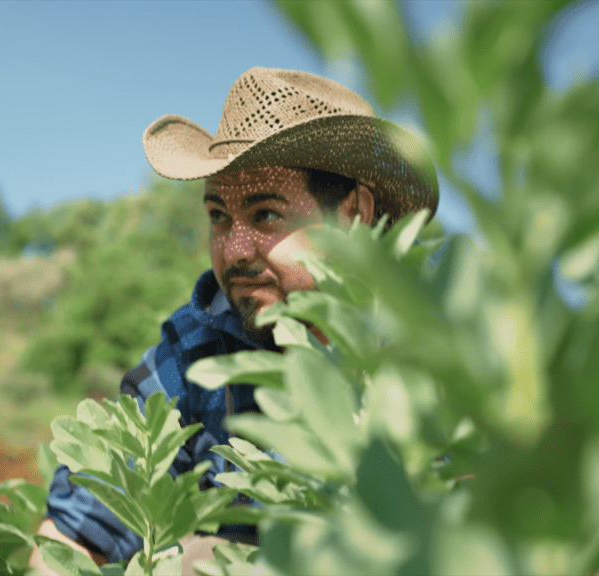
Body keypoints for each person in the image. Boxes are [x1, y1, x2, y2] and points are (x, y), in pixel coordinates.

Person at [29, 66, 439, 574]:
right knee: (195, 560)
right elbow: (73, 537)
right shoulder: (199, 348)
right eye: (219, 216)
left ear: (353, 214)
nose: (234, 249)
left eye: (266, 215)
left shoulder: (443, 341)